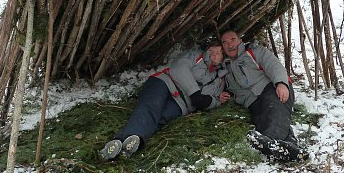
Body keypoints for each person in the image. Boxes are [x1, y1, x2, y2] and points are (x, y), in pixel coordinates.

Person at [100, 40, 231, 160]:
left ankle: (121, 144)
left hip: (181, 104)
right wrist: (195, 93)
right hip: (165, 83)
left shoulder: (220, 82)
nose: (214, 55)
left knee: (159, 119)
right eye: (211, 51)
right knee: (151, 107)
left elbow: (215, 100)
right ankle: (131, 140)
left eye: (218, 53)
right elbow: (179, 68)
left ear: (223, 57)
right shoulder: (195, 57)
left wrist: (210, 102)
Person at [221, 29, 306, 162]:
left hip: (272, 88)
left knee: (275, 110)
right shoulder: (226, 67)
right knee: (262, 120)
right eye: (225, 42)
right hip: (254, 100)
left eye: (232, 40)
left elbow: (274, 66)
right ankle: (291, 147)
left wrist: (281, 83)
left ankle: (269, 142)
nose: (229, 45)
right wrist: (243, 100)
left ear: (240, 40)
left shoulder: (255, 52)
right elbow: (235, 89)